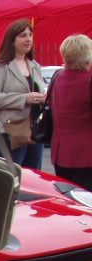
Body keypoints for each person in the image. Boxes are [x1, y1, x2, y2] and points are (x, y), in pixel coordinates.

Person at [0, 19, 47, 169]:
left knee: (34, 177)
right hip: (5, 132)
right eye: (23, 35)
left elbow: (40, 90)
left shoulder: (34, 65)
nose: (28, 39)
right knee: (12, 177)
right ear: (11, 40)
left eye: (30, 35)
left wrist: (43, 98)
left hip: (33, 130)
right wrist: (24, 99)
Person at [48, 34, 92, 189]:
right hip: (86, 154)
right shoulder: (88, 79)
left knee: (66, 197)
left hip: (60, 152)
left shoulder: (57, 77)